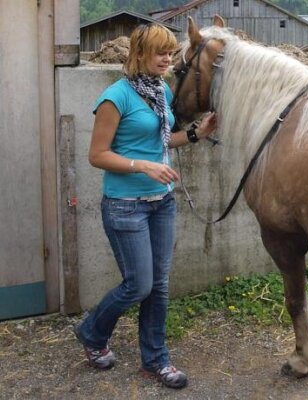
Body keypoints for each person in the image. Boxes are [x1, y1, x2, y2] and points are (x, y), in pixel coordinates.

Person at [74, 23, 216, 389]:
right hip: (125, 205)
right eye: (159, 52)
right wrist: (144, 165)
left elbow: (168, 141)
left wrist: (200, 132)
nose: (167, 58)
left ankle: (155, 361)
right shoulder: (115, 97)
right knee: (138, 285)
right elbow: (97, 156)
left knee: (160, 286)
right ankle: (91, 331)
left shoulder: (161, 92)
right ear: (139, 54)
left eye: (170, 52)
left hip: (161, 204)